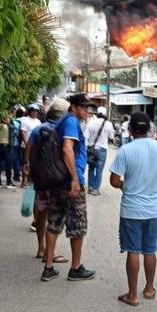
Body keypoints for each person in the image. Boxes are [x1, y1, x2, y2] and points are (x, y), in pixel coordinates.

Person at [109, 111, 157, 306]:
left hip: (131, 209)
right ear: (149, 129)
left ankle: (132, 295)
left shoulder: (126, 151)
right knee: (150, 250)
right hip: (153, 210)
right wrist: (152, 181)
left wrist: (125, 185)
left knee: (133, 250)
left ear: (130, 129)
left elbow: (113, 180)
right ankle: (149, 288)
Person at [38, 93, 95, 282]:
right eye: (85, 107)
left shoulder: (64, 121)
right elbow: (67, 149)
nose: (88, 111)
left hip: (58, 181)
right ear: (74, 107)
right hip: (69, 181)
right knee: (78, 225)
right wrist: (75, 180)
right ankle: (76, 268)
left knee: (54, 222)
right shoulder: (71, 122)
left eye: (89, 107)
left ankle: (49, 268)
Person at [26, 98, 70, 265]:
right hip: (57, 179)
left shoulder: (38, 129)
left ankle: (41, 248)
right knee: (55, 215)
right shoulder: (63, 130)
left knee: (42, 213)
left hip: (41, 178)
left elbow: (29, 149)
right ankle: (51, 253)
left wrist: (29, 169)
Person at [85, 106, 114, 195]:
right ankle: (95, 189)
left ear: (97, 114)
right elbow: (111, 137)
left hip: (91, 149)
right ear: (105, 114)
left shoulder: (90, 123)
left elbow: (86, 137)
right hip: (102, 149)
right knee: (99, 170)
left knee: (91, 168)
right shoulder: (109, 124)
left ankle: (90, 187)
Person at [19, 105, 41, 187]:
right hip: (26, 145)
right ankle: (24, 181)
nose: (35, 113)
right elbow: (23, 132)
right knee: (26, 162)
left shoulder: (38, 121)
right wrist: (26, 143)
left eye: (36, 111)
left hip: (35, 146)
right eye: (33, 111)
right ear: (30, 111)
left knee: (33, 163)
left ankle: (30, 180)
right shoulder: (25, 120)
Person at [9, 107, 24, 183]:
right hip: (21, 143)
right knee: (19, 159)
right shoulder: (24, 121)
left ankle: (17, 175)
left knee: (15, 160)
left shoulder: (15, 122)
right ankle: (19, 175)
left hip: (14, 142)